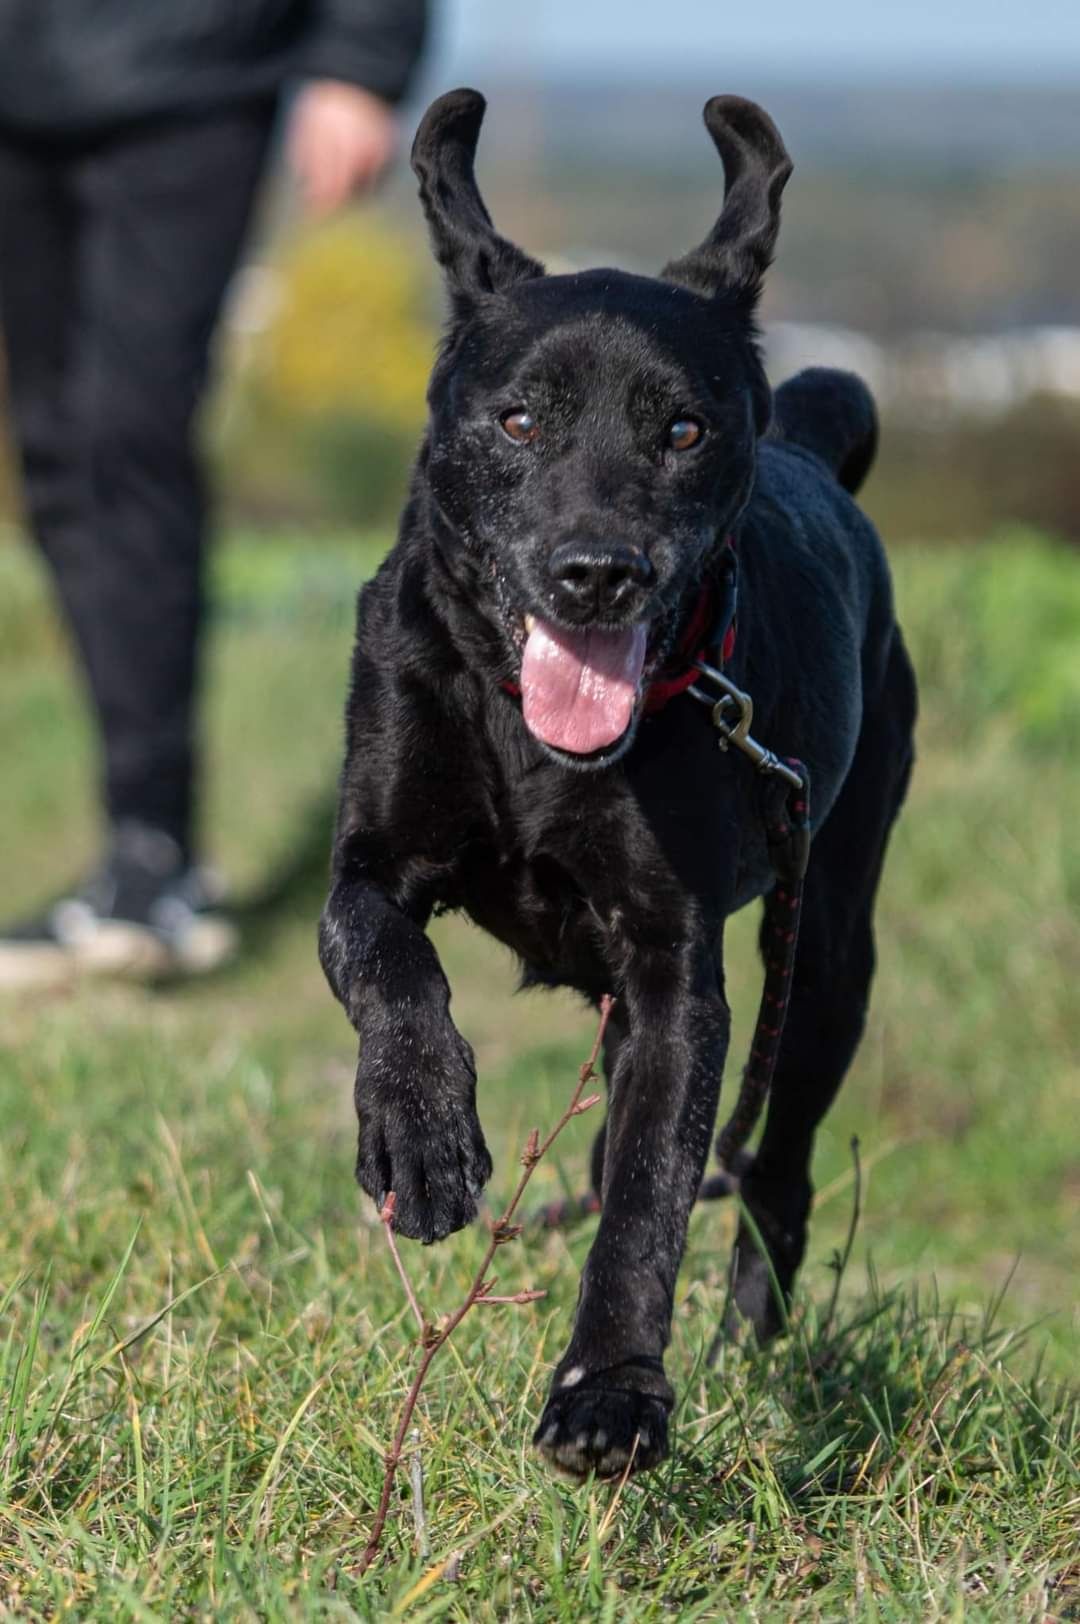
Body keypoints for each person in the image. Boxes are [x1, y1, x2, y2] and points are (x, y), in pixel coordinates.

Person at [0, 0, 427, 985]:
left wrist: (362, 58)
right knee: (56, 450)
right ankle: (133, 854)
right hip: (19, 86)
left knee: (128, 436)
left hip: (196, 66)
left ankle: (155, 856)